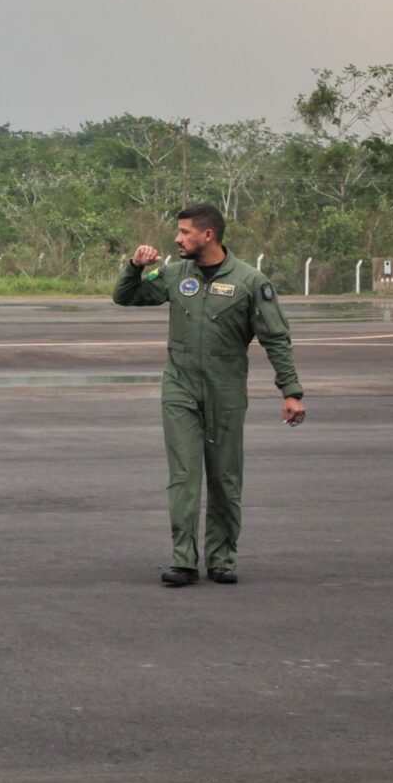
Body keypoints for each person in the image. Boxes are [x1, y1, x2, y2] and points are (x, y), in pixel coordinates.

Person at [112, 203, 305, 587]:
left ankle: (222, 558)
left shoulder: (250, 281)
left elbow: (276, 339)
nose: (177, 239)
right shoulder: (173, 275)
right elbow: (126, 297)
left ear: (208, 235)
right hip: (180, 387)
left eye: (184, 232)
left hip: (226, 390)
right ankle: (183, 559)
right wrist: (134, 266)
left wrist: (291, 391)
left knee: (225, 476)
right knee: (184, 475)